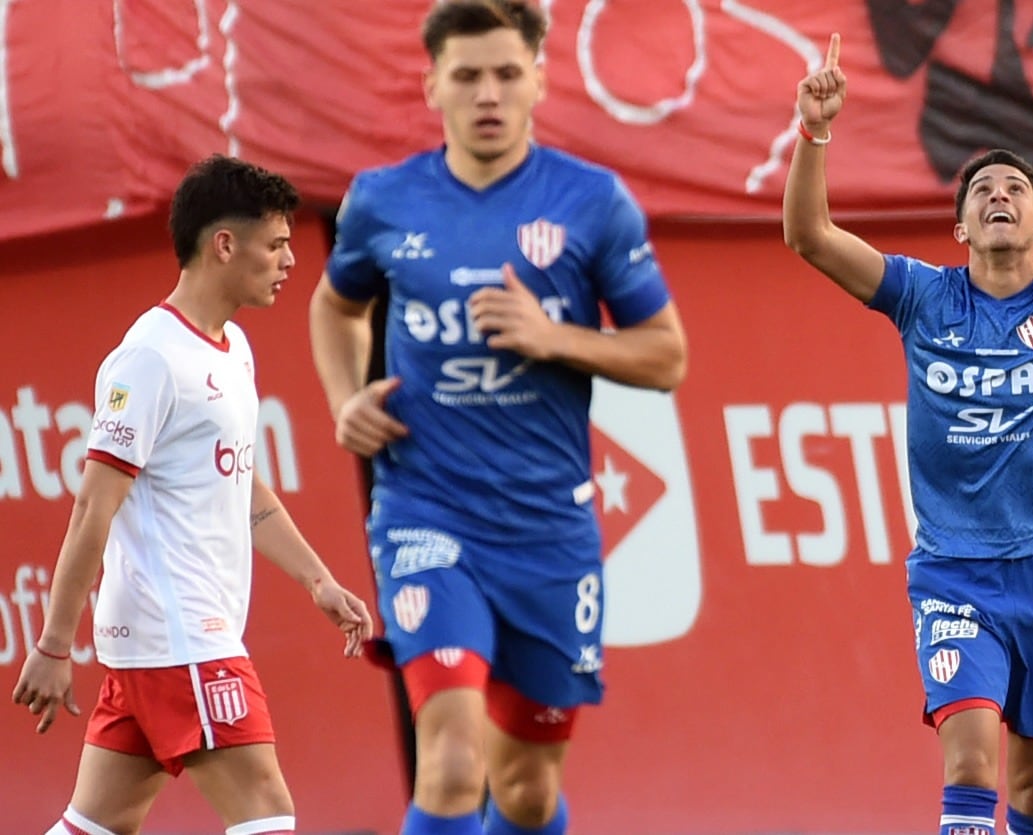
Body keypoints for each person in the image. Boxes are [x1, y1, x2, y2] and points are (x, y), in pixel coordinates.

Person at [782, 11, 1033, 835]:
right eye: (982, 191)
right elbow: (809, 235)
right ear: (962, 229)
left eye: (1016, 189)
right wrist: (813, 132)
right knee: (971, 764)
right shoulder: (922, 296)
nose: (998, 195)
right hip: (954, 574)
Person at [307, 2, 687, 834]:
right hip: (424, 512)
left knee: (523, 790)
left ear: (540, 81)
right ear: (432, 83)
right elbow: (335, 308)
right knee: (448, 762)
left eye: (507, 74)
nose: (488, 92)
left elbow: (667, 356)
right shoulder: (383, 201)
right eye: (468, 74)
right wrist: (345, 400)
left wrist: (553, 337)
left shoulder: (591, 202)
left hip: (550, 530)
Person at [11, 154, 375, 835]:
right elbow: (95, 505)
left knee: (97, 824)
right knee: (267, 811)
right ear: (224, 245)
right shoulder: (149, 358)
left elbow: (242, 486)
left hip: (165, 641)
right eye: (276, 244)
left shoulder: (232, 346)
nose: (290, 260)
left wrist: (318, 581)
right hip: (182, 637)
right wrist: (55, 644)